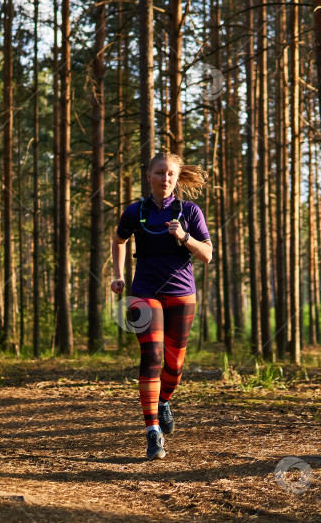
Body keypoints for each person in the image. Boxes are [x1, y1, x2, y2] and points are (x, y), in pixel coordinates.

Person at [110, 152, 213, 460]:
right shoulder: (134, 212)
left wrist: (185, 237)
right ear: (149, 176)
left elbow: (207, 254)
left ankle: (164, 400)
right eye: (159, 173)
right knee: (152, 356)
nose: (164, 178)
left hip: (181, 293)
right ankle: (152, 431)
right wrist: (118, 276)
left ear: (176, 178)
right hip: (144, 292)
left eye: (170, 174)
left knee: (175, 365)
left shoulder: (190, 211)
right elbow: (118, 240)